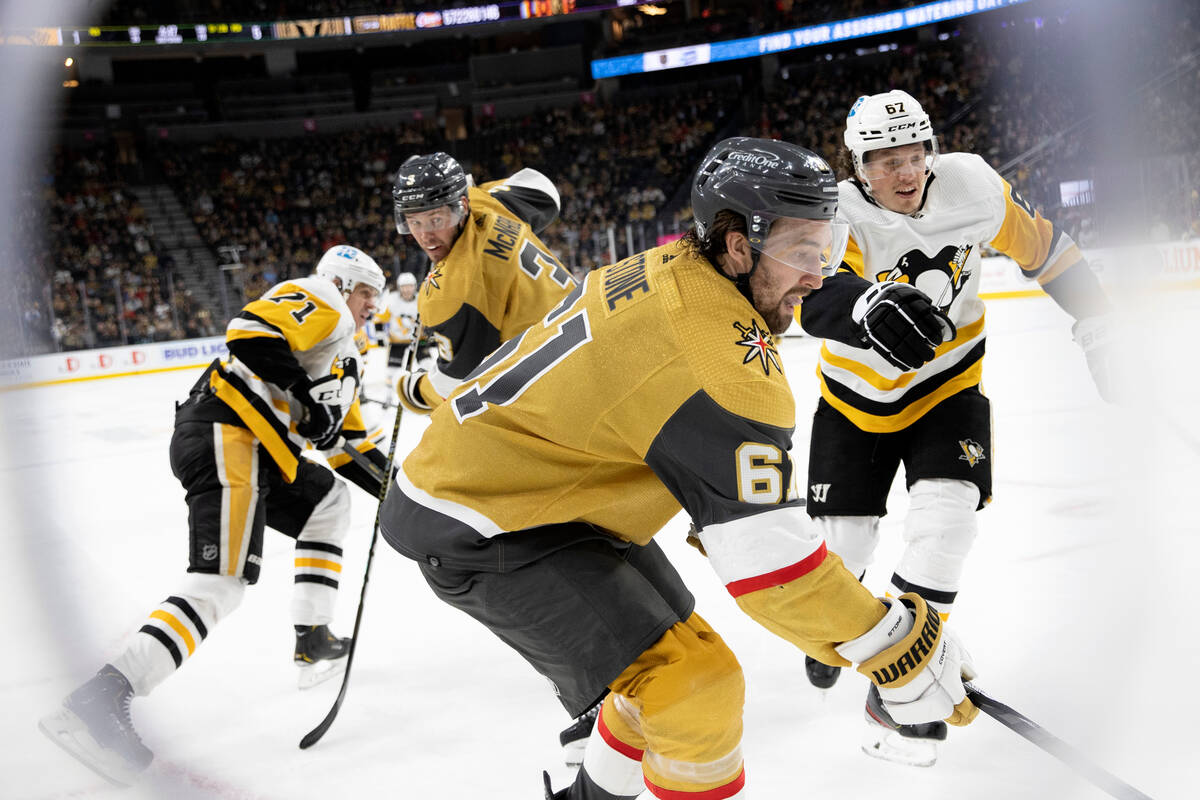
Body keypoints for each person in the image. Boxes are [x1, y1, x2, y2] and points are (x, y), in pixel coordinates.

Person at [380, 137, 979, 799]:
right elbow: (774, 571)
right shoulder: (717, 364)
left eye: (827, 248)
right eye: (803, 252)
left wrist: (860, 299)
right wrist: (900, 648)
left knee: (683, 671)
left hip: (535, 483)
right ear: (736, 246)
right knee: (694, 686)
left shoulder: (677, 265)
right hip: (481, 518)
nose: (818, 275)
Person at [794, 90, 1113, 766]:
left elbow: (1044, 248)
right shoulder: (837, 212)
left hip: (949, 384)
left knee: (949, 522)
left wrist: (1100, 320)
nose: (905, 173)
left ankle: (899, 678)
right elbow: (810, 297)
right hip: (854, 402)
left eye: (914, 154)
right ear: (859, 165)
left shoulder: (972, 185)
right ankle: (821, 640)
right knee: (845, 552)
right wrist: (866, 304)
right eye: (885, 160)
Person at [38, 245, 392, 786]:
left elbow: (348, 447)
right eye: (367, 291)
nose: (373, 303)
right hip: (229, 431)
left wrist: (400, 491)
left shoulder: (347, 350)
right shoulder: (324, 298)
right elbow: (249, 334)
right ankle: (98, 701)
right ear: (344, 284)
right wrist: (306, 399)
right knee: (219, 583)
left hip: (258, 448)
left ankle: (312, 637)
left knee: (328, 502)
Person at [389, 151, 576, 416]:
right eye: (414, 221)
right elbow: (544, 190)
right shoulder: (486, 202)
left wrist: (413, 391)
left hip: (559, 386)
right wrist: (477, 193)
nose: (425, 236)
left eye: (436, 219)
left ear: (461, 206)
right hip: (587, 327)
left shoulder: (451, 293)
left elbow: (456, 383)